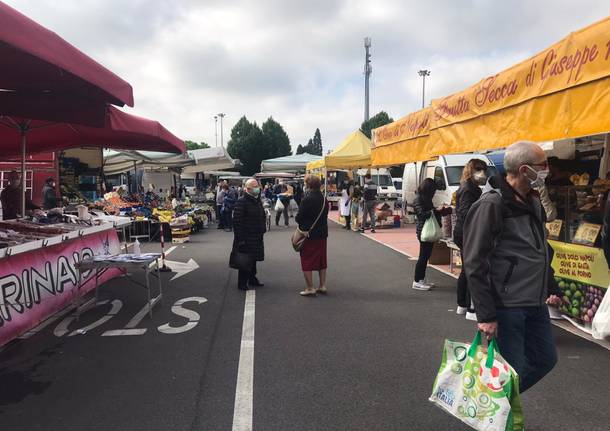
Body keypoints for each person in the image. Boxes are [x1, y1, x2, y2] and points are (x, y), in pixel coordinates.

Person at [463, 140, 561, 393]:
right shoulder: (492, 204)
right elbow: (474, 261)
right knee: (511, 368)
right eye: (543, 165)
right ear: (524, 169)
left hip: (535, 301)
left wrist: (552, 286)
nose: (547, 170)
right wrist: (485, 315)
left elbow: (539, 249)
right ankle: (497, 415)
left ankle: (492, 404)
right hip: (507, 305)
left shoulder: (533, 200)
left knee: (544, 360)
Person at [453, 159, 488, 320]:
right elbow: (466, 212)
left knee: (467, 268)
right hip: (467, 232)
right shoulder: (468, 189)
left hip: (463, 231)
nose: (483, 173)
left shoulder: (467, 187)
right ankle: (468, 305)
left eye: (484, 169)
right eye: (479, 169)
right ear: (471, 170)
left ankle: (463, 304)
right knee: (471, 269)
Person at [413, 178, 451, 290]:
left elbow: (430, 212)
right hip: (423, 230)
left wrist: (442, 210)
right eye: (433, 190)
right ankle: (417, 280)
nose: (434, 193)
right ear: (428, 189)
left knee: (426, 256)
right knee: (423, 257)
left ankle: (421, 279)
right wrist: (435, 210)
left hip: (426, 230)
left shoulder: (425, 198)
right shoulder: (418, 199)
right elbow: (422, 214)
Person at [295, 175, 329, 296]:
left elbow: (298, 218)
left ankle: (310, 287)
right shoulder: (324, 199)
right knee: (321, 260)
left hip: (308, 234)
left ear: (308, 186)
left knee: (307, 260)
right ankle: (322, 285)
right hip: (322, 234)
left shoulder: (307, 199)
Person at [232, 178, 266, 290]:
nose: (258, 188)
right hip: (246, 237)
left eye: (258, 186)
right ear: (248, 188)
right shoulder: (242, 201)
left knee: (254, 259)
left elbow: (262, 215)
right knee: (244, 260)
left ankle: (252, 279)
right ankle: (242, 283)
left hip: (256, 235)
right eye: (255, 186)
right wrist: (240, 239)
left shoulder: (257, 200)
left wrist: (263, 228)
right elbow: (237, 222)